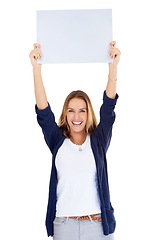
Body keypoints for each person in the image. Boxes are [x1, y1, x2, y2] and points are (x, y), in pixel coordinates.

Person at [29, 41, 121, 240]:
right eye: (71, 110)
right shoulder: (57, 140)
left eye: (82, 110)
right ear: (65, 113)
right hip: (64, 225)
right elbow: (43, 112)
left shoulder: (98, 140)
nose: (76, 116)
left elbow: (108, 108)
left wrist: (113, 66)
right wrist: (36, 69)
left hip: (97, 224)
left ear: (88, 113)